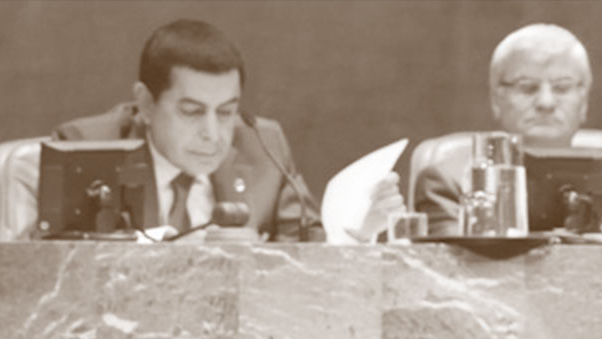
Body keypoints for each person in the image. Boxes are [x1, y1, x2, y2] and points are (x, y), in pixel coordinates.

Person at [38, 20, 383, 242]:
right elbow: (51, 274)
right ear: (145, 104)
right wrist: (174, 253)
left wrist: (358, 236)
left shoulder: (264, 146)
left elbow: (310, 250)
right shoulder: (85, 149)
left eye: (226, 112)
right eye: (192, 112)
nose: (213, 133)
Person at [412, 24, 602, 242]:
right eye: (527, 87)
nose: (546, 102)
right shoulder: (448, 182)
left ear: (584, 101)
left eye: (562, 88)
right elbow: (450, 284)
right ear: (496, 98)